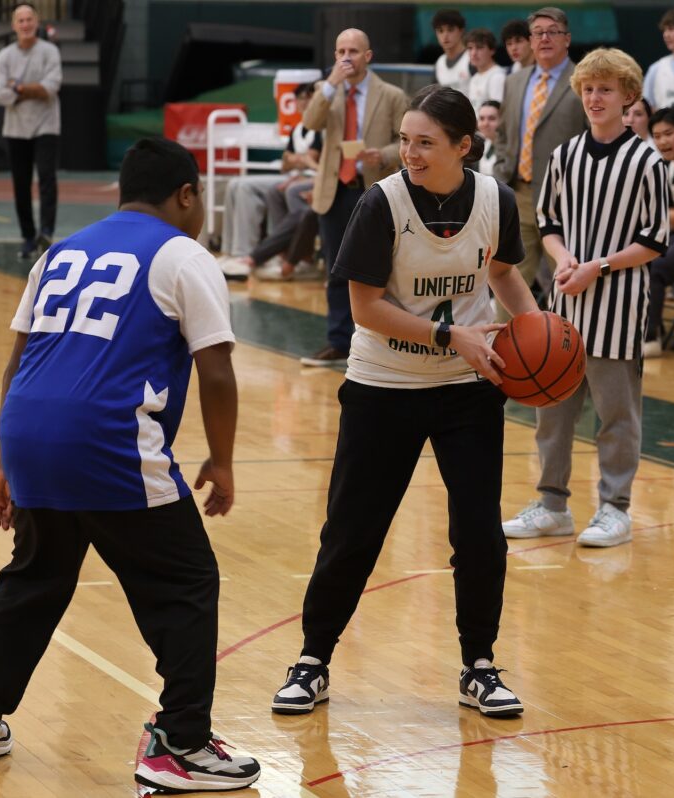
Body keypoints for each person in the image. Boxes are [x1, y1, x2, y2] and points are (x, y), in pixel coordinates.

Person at [0, 137, 261, 794]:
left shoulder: (61, 251)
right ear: (185, 196)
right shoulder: (183, 254)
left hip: (30, 431)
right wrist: (224, 460)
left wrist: (6, 460)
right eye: (197, 196)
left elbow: (18, 361)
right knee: (186, 582)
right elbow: (218, 369)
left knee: (38, 576)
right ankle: (180, 741)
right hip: (108, 438)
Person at [270, 85, 537, 719]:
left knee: (479, 536)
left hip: (467, 389)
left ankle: (479, 665)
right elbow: (366, 308)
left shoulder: (494, 199)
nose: (410, 152)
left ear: (463, 147)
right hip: (383, 386)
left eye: (425, 142)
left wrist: (537, 338)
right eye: (406, 140)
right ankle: (312, 660)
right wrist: (451, 335)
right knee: (353, 531)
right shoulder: (381, 203)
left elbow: (500, 272)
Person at [503, 49, 669, 548]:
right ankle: (553, 504)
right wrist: (561, 257)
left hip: (618, 303)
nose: (595, 98)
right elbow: (549, 223)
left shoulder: (647, 162)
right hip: (566, 303)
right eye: (589, 89)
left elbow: (655, 240)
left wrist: (596, 266)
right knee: (552, 407)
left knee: (616, 415)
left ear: (628, 97)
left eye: (606, 90)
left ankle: (615, 508)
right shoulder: (564, 155)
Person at [300, 28, 406, 367]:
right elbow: (310, 122)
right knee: (336, 270)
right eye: (341, 51)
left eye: (354, 51)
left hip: (373, 190)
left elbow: (405, 141)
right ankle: (339, 341)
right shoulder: (326, 92)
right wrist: (330, 83)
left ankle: (384, 339)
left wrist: (385, 154)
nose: (347, 57)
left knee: (381, 269)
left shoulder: (391, 95)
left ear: (368, 56)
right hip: (335, 191)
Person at [493, 6, 587, 312]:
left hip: (565, 202)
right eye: (538, 33)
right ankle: (500, 355)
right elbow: (504, 135)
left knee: (569, 281)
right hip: (517, 193)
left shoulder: (584, 82)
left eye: (552, 32)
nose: (544, 38)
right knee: (508, 278)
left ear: (567, 39)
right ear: (531, 40)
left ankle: (574, 355)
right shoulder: (514, 81)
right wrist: (500, 177)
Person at [218, 83, 321, 279]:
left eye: (309, 97)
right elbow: (286, 164)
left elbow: (310, 160)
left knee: (265, 189)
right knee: (236, 184)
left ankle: (253, 252)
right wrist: (297, 161)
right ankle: (231, 251)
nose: (304, 102)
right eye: (300, 98)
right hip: (291, 176)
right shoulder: (297, 129)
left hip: (309, 179)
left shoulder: (320, 128)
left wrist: (296, 161)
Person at [0, 2, 62, 259]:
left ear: (37, 22)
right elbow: (0, 94)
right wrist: (32, 89)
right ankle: (28, 237)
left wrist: (18, 88)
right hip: (16, 128)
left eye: (29, 19)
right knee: (20, 184)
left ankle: (46, 232)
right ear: (14, 26)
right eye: (20, 20)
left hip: (47, 125)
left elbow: (51, 88)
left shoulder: (50, 52)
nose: (25, 24)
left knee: (47, 179)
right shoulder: (4, 57)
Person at [643, 106, 674, 358]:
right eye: (656, 136)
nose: (662, 141)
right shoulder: (665, 168)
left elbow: (666, 217)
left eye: (668, 133)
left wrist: (661, 219)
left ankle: (651, 337)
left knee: (655, 266)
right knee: (637, 257)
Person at [644, 9, 674, 111]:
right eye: (664, 30)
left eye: (671, 29)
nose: (666, 35)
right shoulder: (656, 69)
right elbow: (647, 107)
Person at [433, 9, 471, 96]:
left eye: (450, 30)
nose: (445, 36)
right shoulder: (439, 63)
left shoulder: (472, 58)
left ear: (461, 31)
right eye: (440, 31)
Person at [466, 28, 506, 112]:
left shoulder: (498, 77)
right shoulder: (474, 78)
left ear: (492, 50)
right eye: (470, 48)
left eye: (479, 48)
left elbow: (497, 113)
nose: (473, 53)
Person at [478, 100, 501, 176]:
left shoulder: (509, 149)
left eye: (491, 118)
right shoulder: (484, 144)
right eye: (481, 118)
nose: (485, 123)